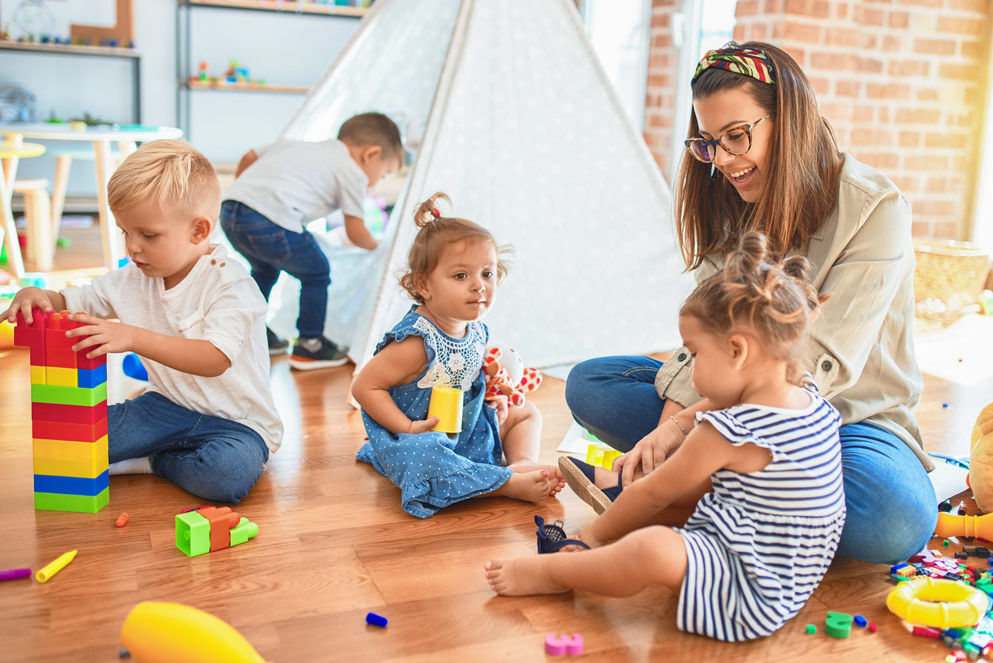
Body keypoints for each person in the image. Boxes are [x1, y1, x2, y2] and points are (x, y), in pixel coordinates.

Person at [562, 41, 935, 564]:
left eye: (737, 136)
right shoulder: (731, 198)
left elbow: (808, 371)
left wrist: (682, 432)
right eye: (710, 143)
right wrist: (673, 423)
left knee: (892, 521)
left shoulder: (876, 209)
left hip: (846, 422)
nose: (726, 161)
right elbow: (706, 338)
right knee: (591, 384)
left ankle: (685, 494)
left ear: (790, 118)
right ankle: (726, 495)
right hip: (730, 406)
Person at [486, 233, 845, 642]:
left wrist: (591, 537)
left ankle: (554, 574)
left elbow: (650, 494)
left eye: (694, 354)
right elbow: (722, 404)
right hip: (793, 581)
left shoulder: (728, 433)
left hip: (747, 592)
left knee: (650, 549)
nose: (691, 370)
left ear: (737, 352)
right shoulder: (807, 396)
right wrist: (676, 425)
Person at [2, 140, 283, 503]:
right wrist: (37, 296)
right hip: (164, 406)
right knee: (74, 440)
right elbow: (72, 300)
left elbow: (214, 359)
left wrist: (133, 337)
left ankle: (157, 461)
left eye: (148, 235)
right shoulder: (131, 277)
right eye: (125, 232)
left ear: (199, 231)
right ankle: (160, 452)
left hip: (238, 422)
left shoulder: (231, 284)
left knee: (225, 477)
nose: (132, 247)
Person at [350, 193, 564, 519]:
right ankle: (503, 483)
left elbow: (473, 374)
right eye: (461, 276)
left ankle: (521, 462)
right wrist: (407, 426)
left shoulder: (475, 329)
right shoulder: (416, 342)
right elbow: (364, 387)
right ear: (423, 284)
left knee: (526, 412)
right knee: (428, 459)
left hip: (468, 425)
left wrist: (497, 398)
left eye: (487, 274)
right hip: (422, 436)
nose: (479, 286)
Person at [220, 112, 403, 370]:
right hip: (271, 219)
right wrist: (382, 248)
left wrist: (245, 192)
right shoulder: (353, 172)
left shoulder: (299, 145)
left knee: (265, 270)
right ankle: (310, 343)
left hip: (231, 211)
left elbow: (250, 156)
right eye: (385, 174)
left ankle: (249, 333)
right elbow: (355, 229)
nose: (378, 183)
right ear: (371, 155)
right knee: (317, 272)